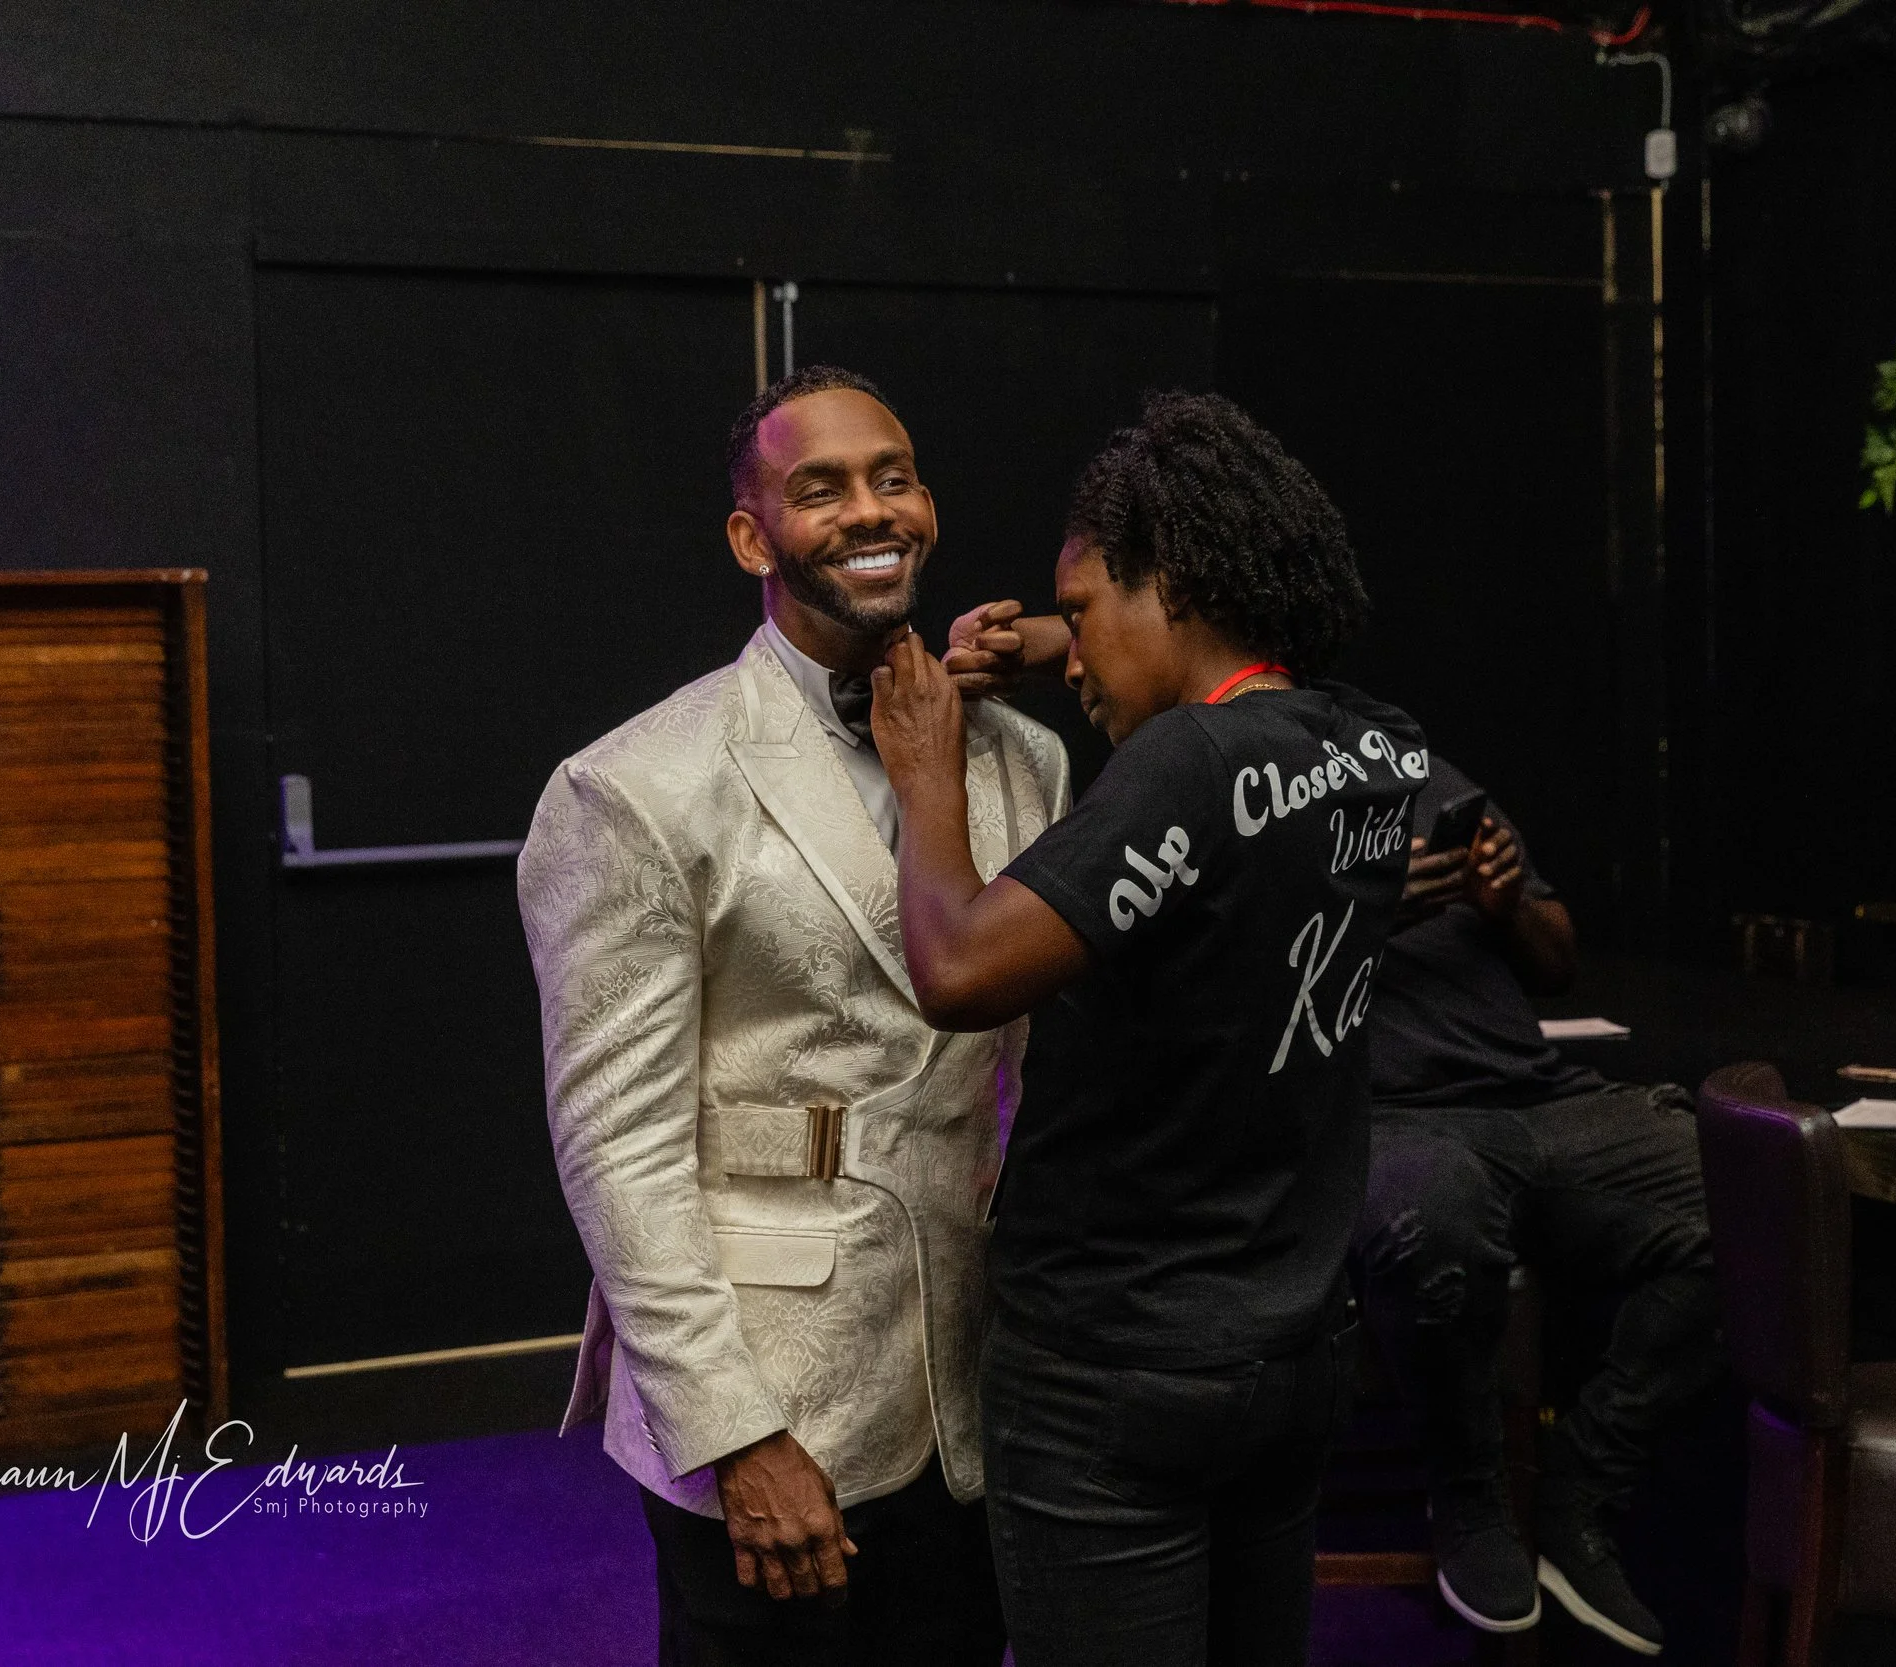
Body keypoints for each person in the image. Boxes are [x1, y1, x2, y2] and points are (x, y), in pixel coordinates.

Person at [516, 365, 1069, 1666]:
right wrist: (735, 1430)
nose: (871, 510)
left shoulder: (1023, 757)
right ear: (752, 537)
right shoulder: (635, 785)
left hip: (984, 1384)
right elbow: (617, 1147)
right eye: (821, 489)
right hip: (775, 1386)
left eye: (894, 477)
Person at [866, 391, 1429, 1667]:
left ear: (1168, 581)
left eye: (1081, 612)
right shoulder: (1381, 749)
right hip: (1287, 1353)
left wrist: (926, 771)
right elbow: (1232, 776)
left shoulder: (1184, 763)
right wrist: (1059, 641)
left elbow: (959, 967)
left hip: (1112, 1370)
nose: (1069, 655)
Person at [1353, 773, 1718, 1657]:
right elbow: (1215, 986)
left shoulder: (1422, 775)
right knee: (1433, 1216)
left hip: (1539, 1098)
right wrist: (1366, 910)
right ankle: (1470, 1494)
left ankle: (1579, 1487)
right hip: (1395, 1115)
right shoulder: (1246, 794)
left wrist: (1509, 903)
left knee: (1747, 1205)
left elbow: (1557, 961)